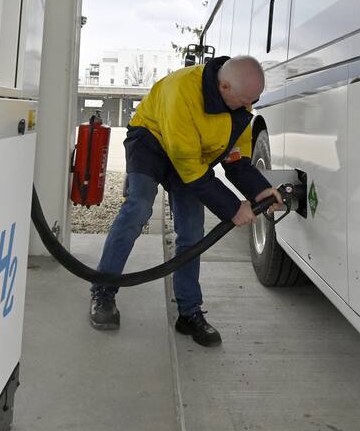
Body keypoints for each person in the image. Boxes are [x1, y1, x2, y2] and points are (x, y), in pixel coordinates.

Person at [89, 55, 283, 347]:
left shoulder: (240, 106)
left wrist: (261, 191)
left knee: (192, 231)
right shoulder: (182, 91)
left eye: (252, 101)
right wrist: (232, 209)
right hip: (151, 142)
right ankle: (103, 291)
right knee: (139, 207)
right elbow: (189, 169)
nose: (248, 106)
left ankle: (189, 312)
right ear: (225, 86)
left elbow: (237, 161)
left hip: (193, 157)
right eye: (245, 99)